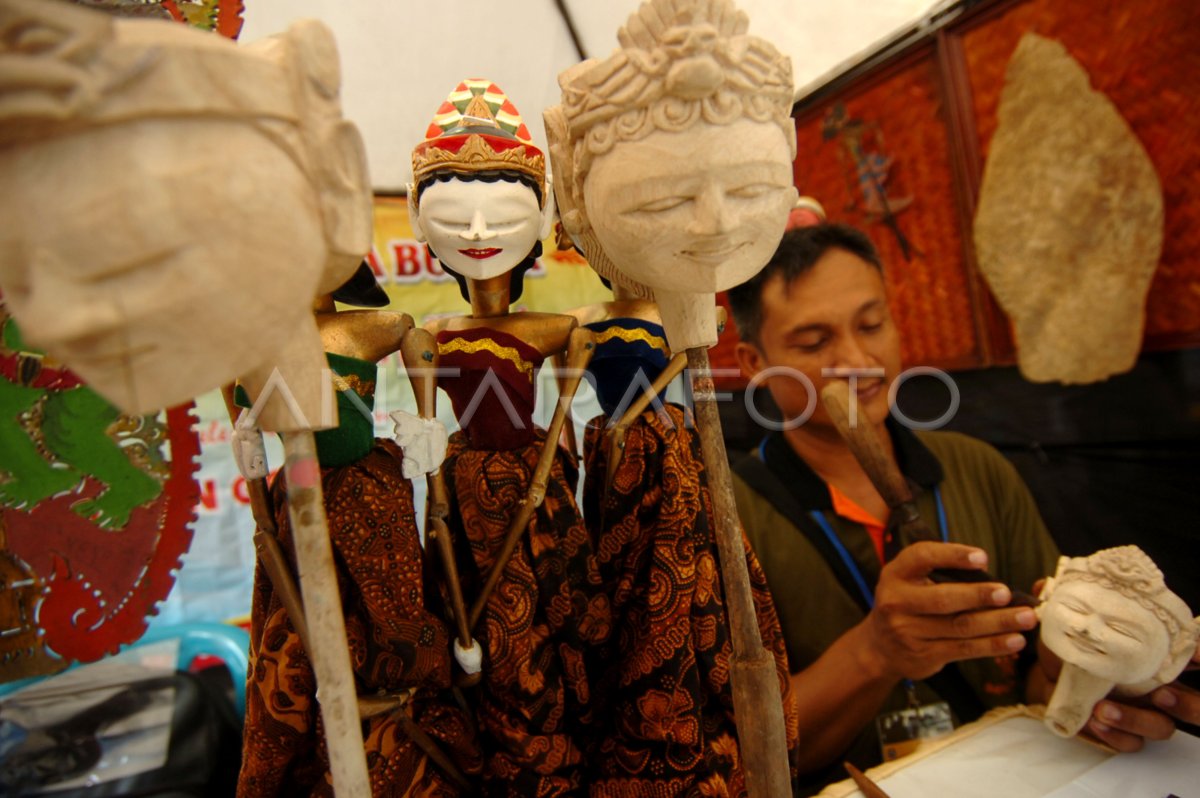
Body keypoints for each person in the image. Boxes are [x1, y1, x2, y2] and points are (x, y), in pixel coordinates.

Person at [727, 223, 1200, 792]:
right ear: (755, 362)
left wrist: (1096, 684)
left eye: (872, 325)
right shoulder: (723, 521)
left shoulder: (977, 468)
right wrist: (876, 652)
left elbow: (1034, 676)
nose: (857, 359)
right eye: (813, 342)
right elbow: (731, 757)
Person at [408, 79, 609, 795]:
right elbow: (429, 433)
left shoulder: (558, 328)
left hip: (539, 484)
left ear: (543, 215)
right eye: (452, 214)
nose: (477, 232)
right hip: (461, 492)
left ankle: (574, 744)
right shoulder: (426, 337)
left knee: (564, 622)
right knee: (477, 628)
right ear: (416, 217)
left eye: (504, 211)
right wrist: (425, 458)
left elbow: (570, 401)